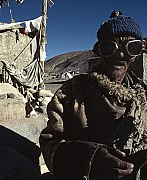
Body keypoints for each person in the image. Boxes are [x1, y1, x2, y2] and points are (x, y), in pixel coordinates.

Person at [39, 11, 147, 180]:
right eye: (110, 47)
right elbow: (49, 143)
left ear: (135, 56)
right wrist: (86, 159)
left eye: (131, 48)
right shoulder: (72, 92)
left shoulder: (143, 97)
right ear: (99, 52)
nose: (120, 55)